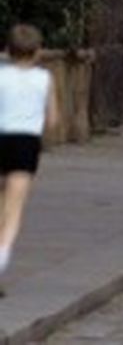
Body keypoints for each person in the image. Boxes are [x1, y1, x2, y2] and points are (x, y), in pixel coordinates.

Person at [0, 24, 58, 280]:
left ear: (7, 50)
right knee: (13, 209)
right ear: (38, 51)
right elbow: (53, 119)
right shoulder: (44, 78)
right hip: (25, 143)